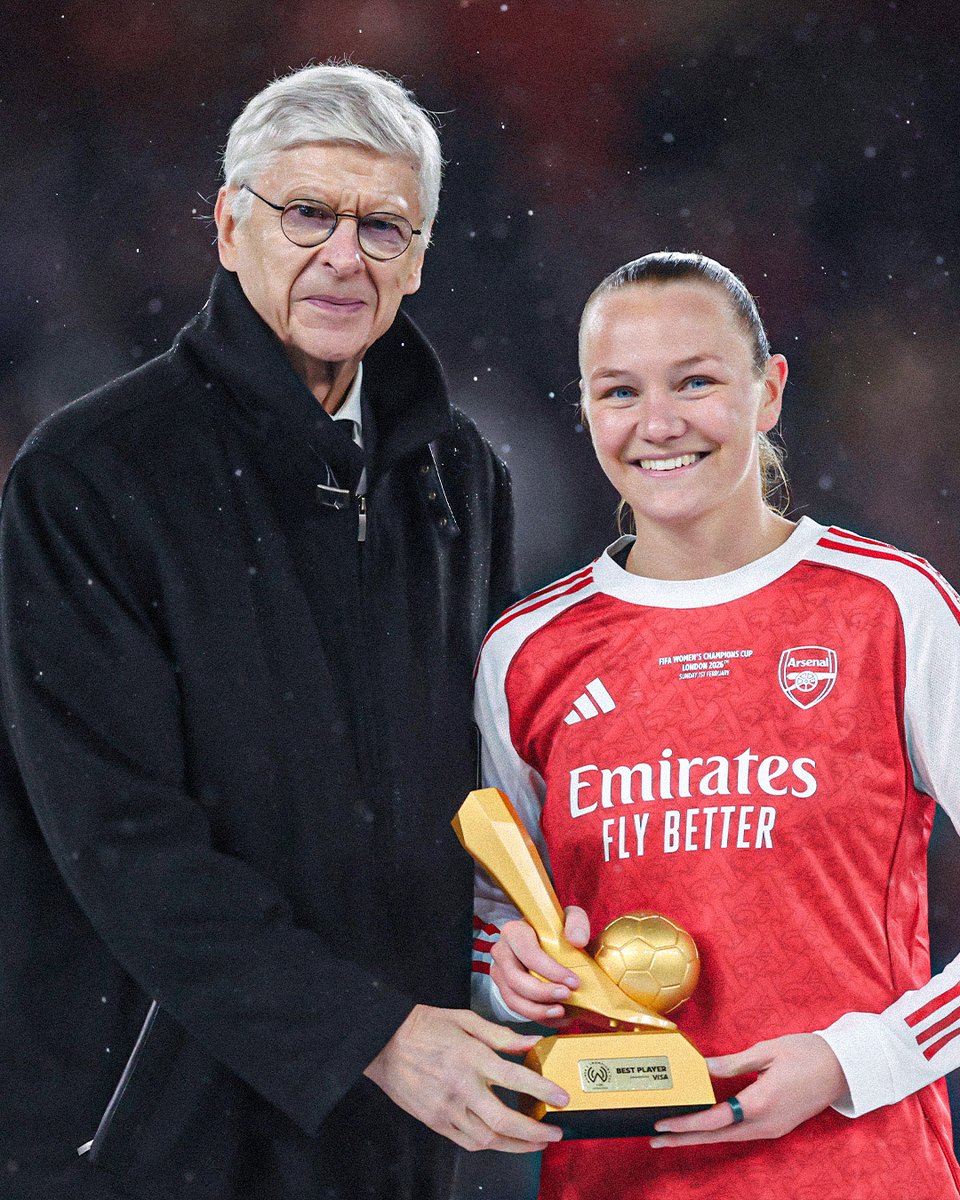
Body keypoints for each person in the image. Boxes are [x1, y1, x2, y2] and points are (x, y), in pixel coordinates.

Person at [0, 63, 566, 1200]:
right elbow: (119, 842)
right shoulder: (88, 477)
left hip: (398, 1131)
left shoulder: (461, 477)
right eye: (307, 212)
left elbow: (476, 793)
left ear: (422, 256)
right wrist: (369, 1032)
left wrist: (515, 940)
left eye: (384, 226)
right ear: (227, 223)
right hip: (149, 1136)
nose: (344, 256)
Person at [471, 251, 960, 1199]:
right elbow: (498, 916)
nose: (658, 425)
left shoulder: (893, 611)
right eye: (620, 391)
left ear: (769, 391)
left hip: (859, 1172)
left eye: (696, 381)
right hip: (613, 1177)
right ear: (584, 408)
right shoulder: (526, 654)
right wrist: (508, 972)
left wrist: (857, 1060)